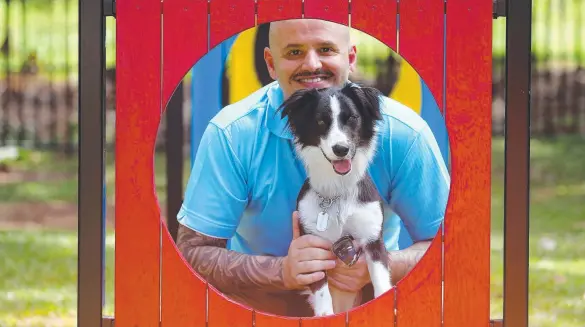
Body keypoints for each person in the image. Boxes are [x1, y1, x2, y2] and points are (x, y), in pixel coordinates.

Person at [175, 19, 450, 316]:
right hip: (260, 315)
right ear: (270, 63)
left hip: (371, 313)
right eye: (294, 52)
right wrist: (282, 271)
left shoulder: (403, 132)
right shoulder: (232, 133)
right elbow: (193, 252)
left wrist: (379, 265)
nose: (312, 64)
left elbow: (452, 244)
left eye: (326, 49)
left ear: (351, 58)